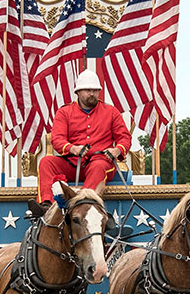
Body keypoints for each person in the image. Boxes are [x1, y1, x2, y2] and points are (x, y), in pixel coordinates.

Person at [33, 71, 131, 206]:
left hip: (100, 161)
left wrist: (117, 150)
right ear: (78, 92)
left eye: (95, 90)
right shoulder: (64, 112)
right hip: (72, 162)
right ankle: (46, 205)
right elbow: (57, 139)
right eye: (88, 90)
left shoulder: (111, 111)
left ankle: (81, 204)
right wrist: (72, 148)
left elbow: (124, 137)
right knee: (46, 162)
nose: (92, 93)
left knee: (98, 166)